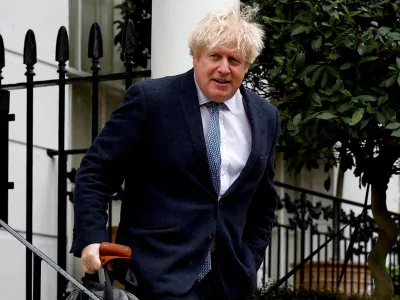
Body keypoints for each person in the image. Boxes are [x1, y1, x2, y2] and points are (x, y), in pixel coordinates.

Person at [70, 4, 281, 300]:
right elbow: (95, 173)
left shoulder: (265, 117)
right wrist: (92, 240)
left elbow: (263, 202)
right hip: (158, 274)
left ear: (246, 66)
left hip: (229, 282)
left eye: (234, 59)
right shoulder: (151, 101)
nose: (224, 68)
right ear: (195, 57)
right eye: (214, 56)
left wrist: (250, 257)